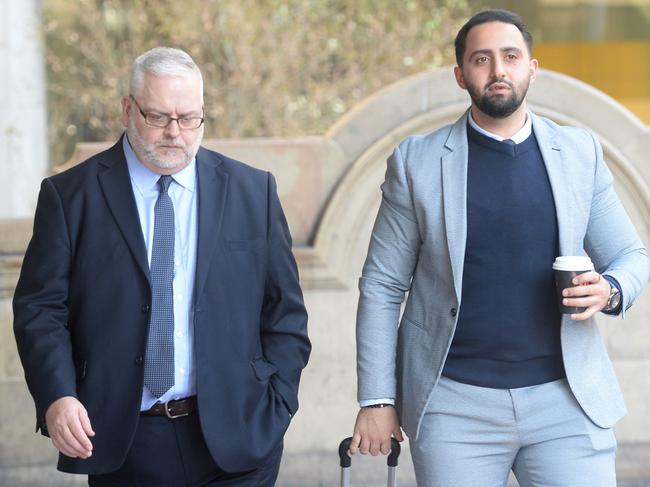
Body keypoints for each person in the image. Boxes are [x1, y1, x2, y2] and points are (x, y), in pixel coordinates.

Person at [349, 9, 649, 487]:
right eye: (481, 59)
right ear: (460, 75)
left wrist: (609, 291)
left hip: (567, 403)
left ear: (532, 68)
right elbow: (383, 285)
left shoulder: (579, 153)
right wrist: (377, 399)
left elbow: (633, 258)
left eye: (510, 57)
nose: (497, 71)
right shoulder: (417, 162)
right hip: (454, 406)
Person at [13, 47, 310, 487]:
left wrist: (277, 402)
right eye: (158, 117)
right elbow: (40, 311)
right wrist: (58, 395)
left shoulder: (254, 191)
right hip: (124, 441)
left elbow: (284, 311)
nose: (175, 133)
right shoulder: (70, 197)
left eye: (189, 118)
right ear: (128, 110)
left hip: (240, 438)